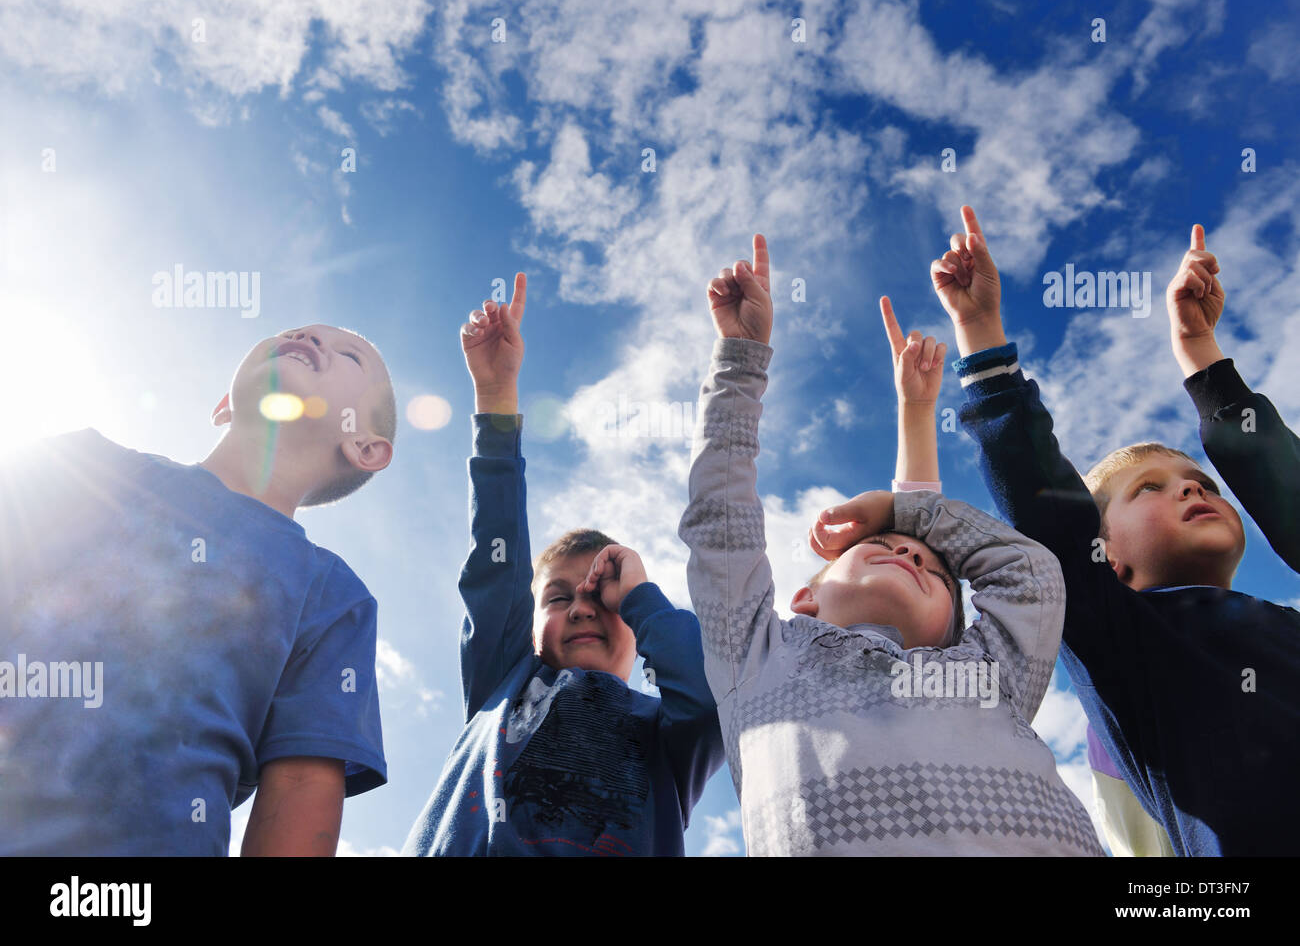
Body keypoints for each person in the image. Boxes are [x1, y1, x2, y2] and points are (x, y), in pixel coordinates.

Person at [677, 234, 1102, 855]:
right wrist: (741, 359)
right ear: (805, 598)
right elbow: (720, 518)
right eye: (887, 547)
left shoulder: (986, 673)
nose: (910, 553)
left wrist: (903, 500)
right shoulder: (760, 658)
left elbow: (1030, 573)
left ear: (956, 627)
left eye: (933, 569)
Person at [936, 206, 1300, 854]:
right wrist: (984, 344)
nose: (1190, 486)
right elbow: (1052, 518)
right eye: (1148, 489)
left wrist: (1200, 354)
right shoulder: (1126, 641)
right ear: (1111, 558)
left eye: (1204, 482)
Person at [0, 324, 395, 855]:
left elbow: (301, 784)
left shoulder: (333, 596)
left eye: (350, 354)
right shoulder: (80, 465)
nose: (310, 338)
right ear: (223, 404)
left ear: (365, 445)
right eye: (298, 333)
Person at [401, 274, 724, 856]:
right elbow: (494, 563)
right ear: (525, 627)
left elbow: (711, 689)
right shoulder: (505, 683)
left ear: (638, 627)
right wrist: (496, 399)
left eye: (603, 599)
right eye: (557, 597)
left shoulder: (665, 733)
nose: (580, 607)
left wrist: (642, 595)